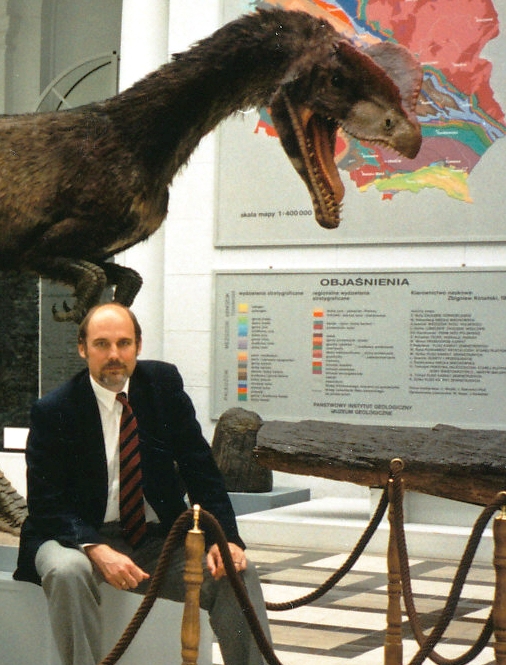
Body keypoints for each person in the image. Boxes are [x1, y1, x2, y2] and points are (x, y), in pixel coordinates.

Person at [14, 302, 271, 665]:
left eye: (124, 343)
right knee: (67, 572)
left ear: (138, 345)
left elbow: (201, 469)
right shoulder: (55, 409)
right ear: (82, 348)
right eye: (102, 344)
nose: (114, 355)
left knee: (233, 574)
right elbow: (46, 502)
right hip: (72, 536)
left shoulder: (162, 387)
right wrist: (94, 547)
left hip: (154, 539)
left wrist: (225, 538)